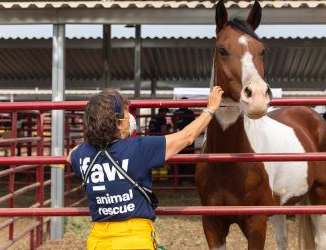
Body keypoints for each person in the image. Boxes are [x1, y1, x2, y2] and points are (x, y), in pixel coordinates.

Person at [67, 86, 223, 250]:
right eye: (127, 113)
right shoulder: (139, 148)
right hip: (135, 239)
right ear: (117, 123)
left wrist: (96, 137)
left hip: (97, 241)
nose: (130, 117)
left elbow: (70, 156)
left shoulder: (83, 154)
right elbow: (187, 137)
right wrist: (210, 109)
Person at [172, 98, 196, 185]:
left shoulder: (175, 113)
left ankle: (178, 180)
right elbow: (193, 125)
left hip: (178, 137)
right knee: (188, 158)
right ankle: (187, 178)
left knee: (178, 158)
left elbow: (174, 123)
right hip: (188, 137)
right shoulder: (190, 113)